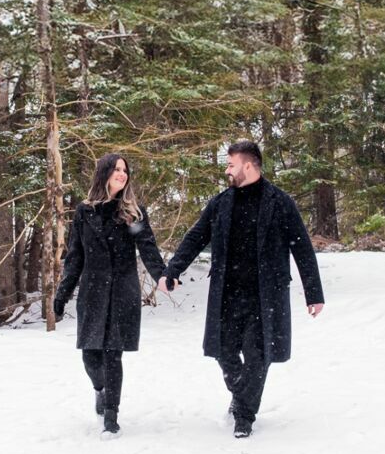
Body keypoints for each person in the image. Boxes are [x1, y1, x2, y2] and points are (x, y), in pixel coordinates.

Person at [162, 140, 324, 438]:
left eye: (230, 164)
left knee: (258, 355)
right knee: (224, 352)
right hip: (227, 294)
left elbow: (302, 247)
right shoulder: (221, 203)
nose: (227, 170)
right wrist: (172, 270)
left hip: (266, 296)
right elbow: (196, 237)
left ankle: (244, 416)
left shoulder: (279, 202)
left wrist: (314, 293)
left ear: (248, 166)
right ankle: (241, 397)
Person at [54, 152, 168, 435]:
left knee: (113, 354)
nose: (122, 174)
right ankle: (100, 389)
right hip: (92, 293)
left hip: (122, 291)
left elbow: (149, 248)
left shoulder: (134, 212)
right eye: (117, 169)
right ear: (104, 173)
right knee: (91, 357)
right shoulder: (84, 211)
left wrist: (163, 276)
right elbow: (75, 257)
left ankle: (111, 416)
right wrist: (62, 294)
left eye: (125, 170)